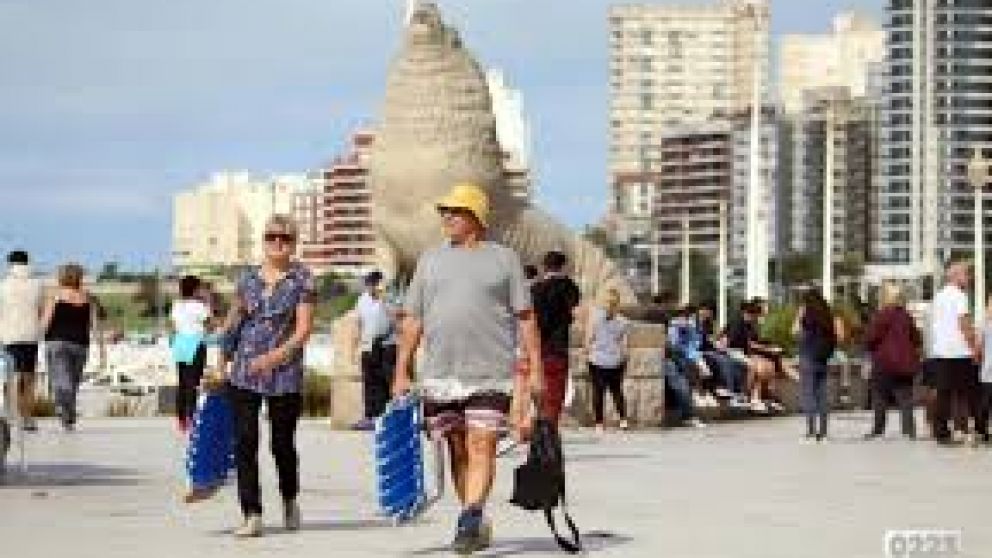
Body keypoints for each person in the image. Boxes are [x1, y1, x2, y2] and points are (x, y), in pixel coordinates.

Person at [392, 183, 543, 555]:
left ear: (476, 217)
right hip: (441, 374)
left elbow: (526, 318)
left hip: (491, 371)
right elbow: (412, 319)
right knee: (457, 447)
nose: (447, 217)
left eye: (455, 212)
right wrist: (401, 369)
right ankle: (471, 515)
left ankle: (471, 514)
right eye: (444, 211)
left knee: (482, 443)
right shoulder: (430, 260)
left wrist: (536, 369)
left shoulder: (504, 259)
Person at [207, 214, 315, 537]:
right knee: (245, 441)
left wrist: (273, 357)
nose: (278, 242)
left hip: (284, 373)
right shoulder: (247, 280)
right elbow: (233, 325)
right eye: (272, 237)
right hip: (244, 371)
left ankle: (289, 497)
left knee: (282, 444)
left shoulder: (302, 279)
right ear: (264, 241)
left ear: (294, 243)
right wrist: (221, 364)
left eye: (285, 238)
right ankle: (251, 513)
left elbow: (304, 330)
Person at [42, 263, 105, 431]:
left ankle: (64, 409)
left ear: (61, 277)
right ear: (79, 278)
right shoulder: (88, 298)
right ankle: (68, 417)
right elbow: (96, 326)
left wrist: (37, 340)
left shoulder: (54, 296)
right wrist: (102, 349)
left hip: (57, 343)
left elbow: (46, 323)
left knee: (61, 380)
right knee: (72, 382)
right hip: (80, 345)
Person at [929, 261, 982, 445]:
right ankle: (978, 429)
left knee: (943, 394)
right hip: (960, 352)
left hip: (942, 352)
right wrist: (975, 347)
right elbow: (964, 324)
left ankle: (941, 432)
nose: (969, 278)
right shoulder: (960, 296)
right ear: (955, 276)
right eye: (966, 274)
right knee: (971, 393)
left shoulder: (939, 296)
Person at [863, 282, 920, 440]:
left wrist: (869, 348)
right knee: (905, 398)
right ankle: (909, 431)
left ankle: (878, 430)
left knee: (880, 396)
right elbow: (916, 338)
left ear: (884, 298)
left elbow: (871, 338)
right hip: (905, 363)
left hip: (884, 363)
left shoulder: (881, 315)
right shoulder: (907, 316)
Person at [530, 250, 581, 425]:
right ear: (562, 266)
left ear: (545, 266)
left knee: (536, 397)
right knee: (555, 395)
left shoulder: (535, 289)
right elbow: (574, 310)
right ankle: (549, 434)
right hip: (558, 346)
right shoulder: (569, 286)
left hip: (537, 348)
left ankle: (538, 434)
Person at [0, 250, 44, 431]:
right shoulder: (38, 284)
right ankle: (27, 417)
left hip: (9, 336)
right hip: (31, 336)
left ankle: (9, 415)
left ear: (10, 264)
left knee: (9, 378)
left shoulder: (3, 285)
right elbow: (40, 310)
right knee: (28, 378)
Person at [351, 270, 397, 431]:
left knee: (388, 381)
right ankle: (371, 416)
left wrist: (384, 298)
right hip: (368, 346)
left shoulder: (389, 298)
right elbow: (358, 323)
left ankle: (391, 418)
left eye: (374, 283)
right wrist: (354, 347)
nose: (371, 287)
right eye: (369, 283)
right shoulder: (362, 300)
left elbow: (396, 318)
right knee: (370, 382)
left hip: (387, 346)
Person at [792, 290, 837, 442]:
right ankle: (823, 433)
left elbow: (795, 333)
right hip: (823, 359)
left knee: (808, 395)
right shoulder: (827, 317)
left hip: (808, 357)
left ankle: (811, 432)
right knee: (822, 396)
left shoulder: (807, 317)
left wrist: (799, 316)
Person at [583, 288, 630, 432]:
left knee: (598, 392)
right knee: (617, 391)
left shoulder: (595, 318)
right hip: (615, 360)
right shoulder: (623, 321)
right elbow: (625, 346)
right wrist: (623, 359)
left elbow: (588, 339)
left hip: (597, 360)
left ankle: (599, 424)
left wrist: (587, 354)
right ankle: (623, 420)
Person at [170, 275, 211, 433]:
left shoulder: (176, 305)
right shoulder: (200, 306)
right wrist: (208, 302)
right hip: (195, 342)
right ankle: (192, 417)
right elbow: (210, 324)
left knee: (182, 382)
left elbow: (174, 326)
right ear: (195, 289)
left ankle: (181, 419)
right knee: (194, 383)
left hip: (180, 342)